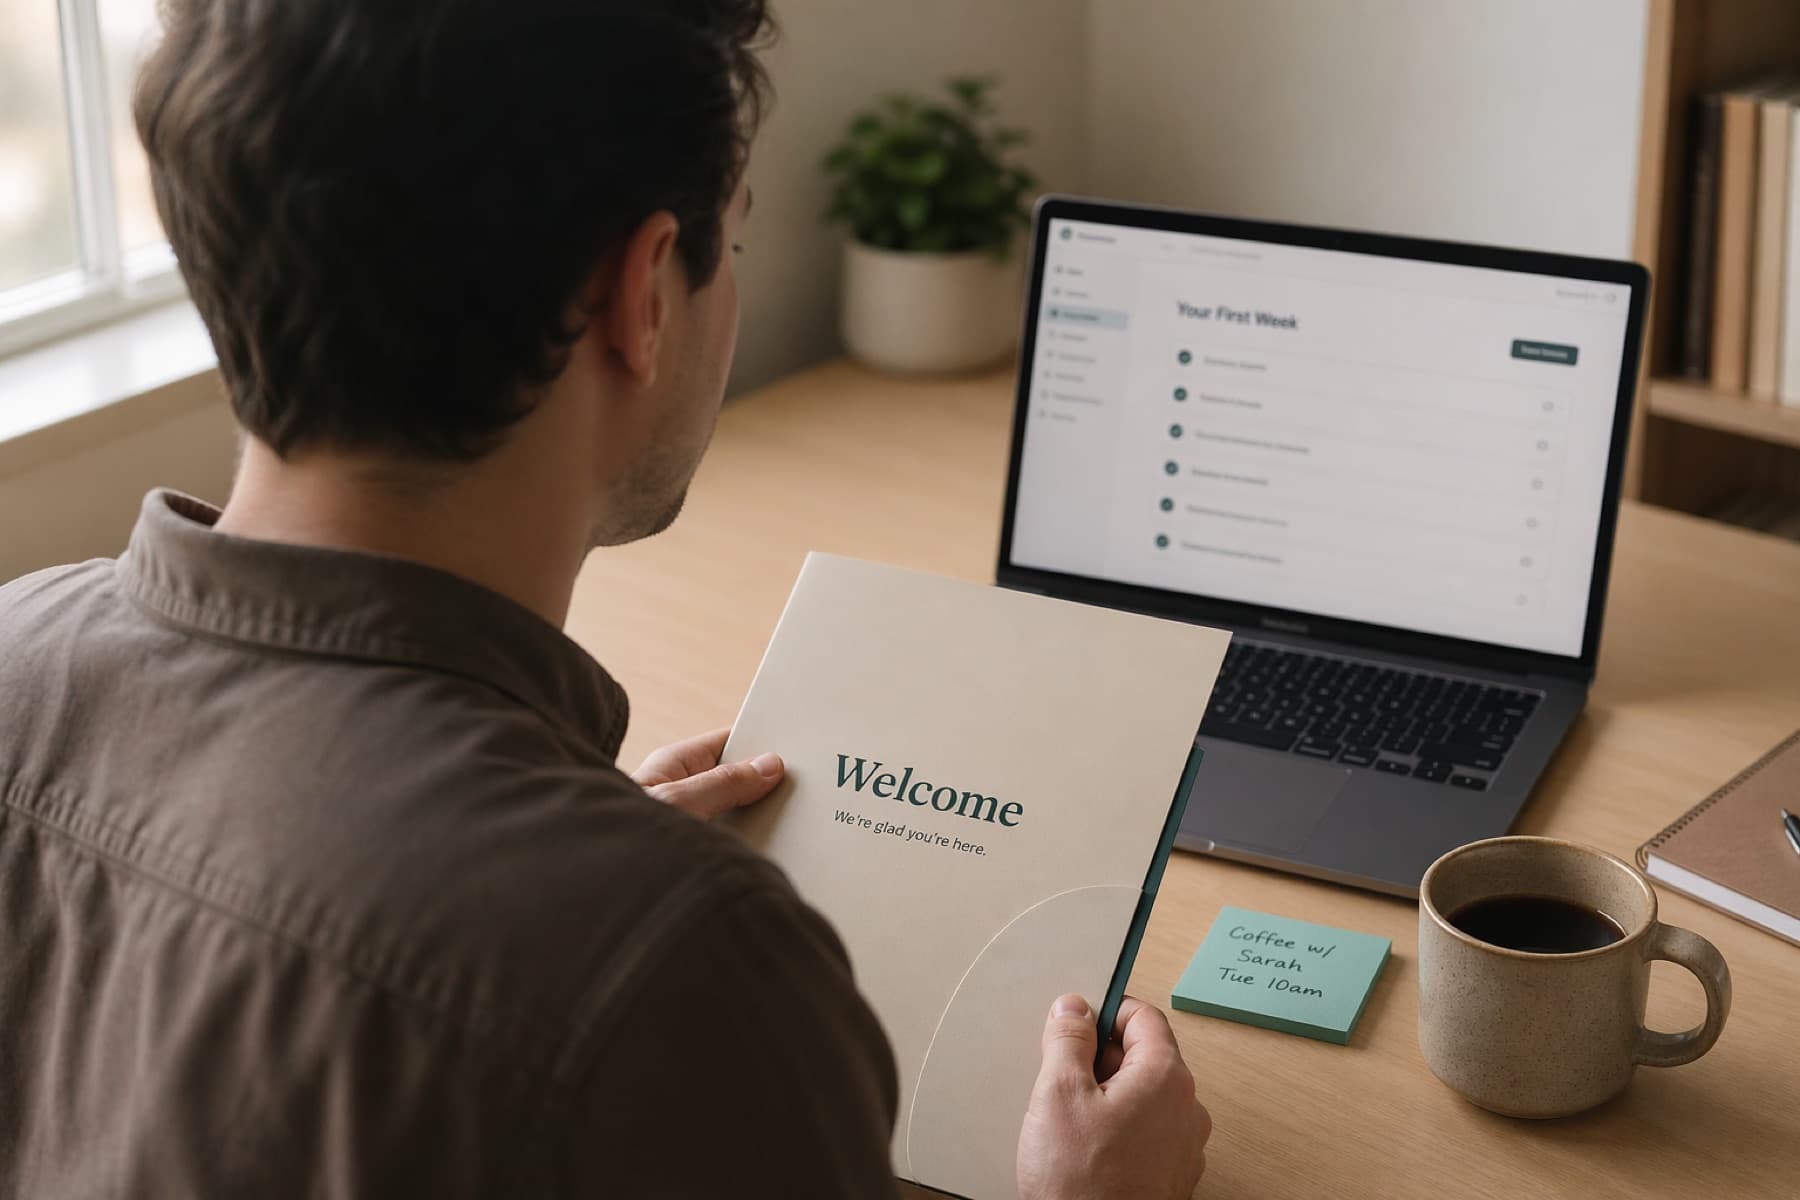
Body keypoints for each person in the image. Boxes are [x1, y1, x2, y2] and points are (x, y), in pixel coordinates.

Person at [0, 1, 1211, 1196]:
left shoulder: (16, 657)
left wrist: (571, 873)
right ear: (643, 293)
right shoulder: (686, 974)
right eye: (733, 247)